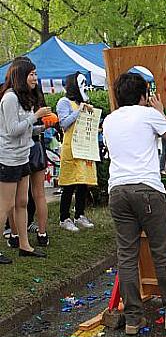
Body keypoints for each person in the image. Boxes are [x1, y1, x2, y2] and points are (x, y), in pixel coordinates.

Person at [103, 73, 166, 333]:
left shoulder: (109, 120)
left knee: (127, 255)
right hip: (148, 190)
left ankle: (133, 318)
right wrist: (161, 112)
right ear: (143, 95)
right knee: (161, 252)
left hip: (118, 190)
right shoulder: (147, 114)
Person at [0, 59, 51, 263]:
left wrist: (41, 128)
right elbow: (12, 130)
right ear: (21, 76)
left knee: (22, 202)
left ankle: (25, 245)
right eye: (31, 74)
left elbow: (25, 130)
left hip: (23, 156)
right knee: (5, 205)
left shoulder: (24, 97)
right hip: (9, 158)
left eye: (36, 74)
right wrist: (35, 116)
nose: (35, 79)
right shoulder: (10, 98)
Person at [56, 72, 97, 232]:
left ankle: (79, 215)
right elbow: (64, 123)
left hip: (84, 147)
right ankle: (64, 217)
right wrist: (79, 111)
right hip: (71, 148)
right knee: (69, 183)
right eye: (81, 83)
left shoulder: (84, 102)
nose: (84, 86)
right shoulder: (63, 102)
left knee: (82, 182)